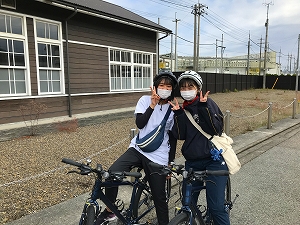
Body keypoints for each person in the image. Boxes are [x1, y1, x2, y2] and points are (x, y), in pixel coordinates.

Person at [95, 71, 178, 225]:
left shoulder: (173, 108)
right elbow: (140, 124)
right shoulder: (145, 100)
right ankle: (110, 210)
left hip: (159, 156)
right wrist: (152, 105)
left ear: (172, 89)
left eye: (168, 86)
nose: (164, 88)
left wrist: (170, 164)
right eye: (161, 85)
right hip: (138, 148)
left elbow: (173, 139)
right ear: (155, 87)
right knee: (113, 173)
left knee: (159, 197)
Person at [169, 70, 230, 225]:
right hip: (192, 162)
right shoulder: (183, 108)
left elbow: (216, 129)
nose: (186, 90)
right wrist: (178, 115)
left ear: (198, 88)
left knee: (216, 208)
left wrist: (203, 107)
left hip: (213, 160)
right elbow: (181, 135)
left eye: (190, 86)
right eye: (183, 87)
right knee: (187, 206)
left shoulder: (208, 103)